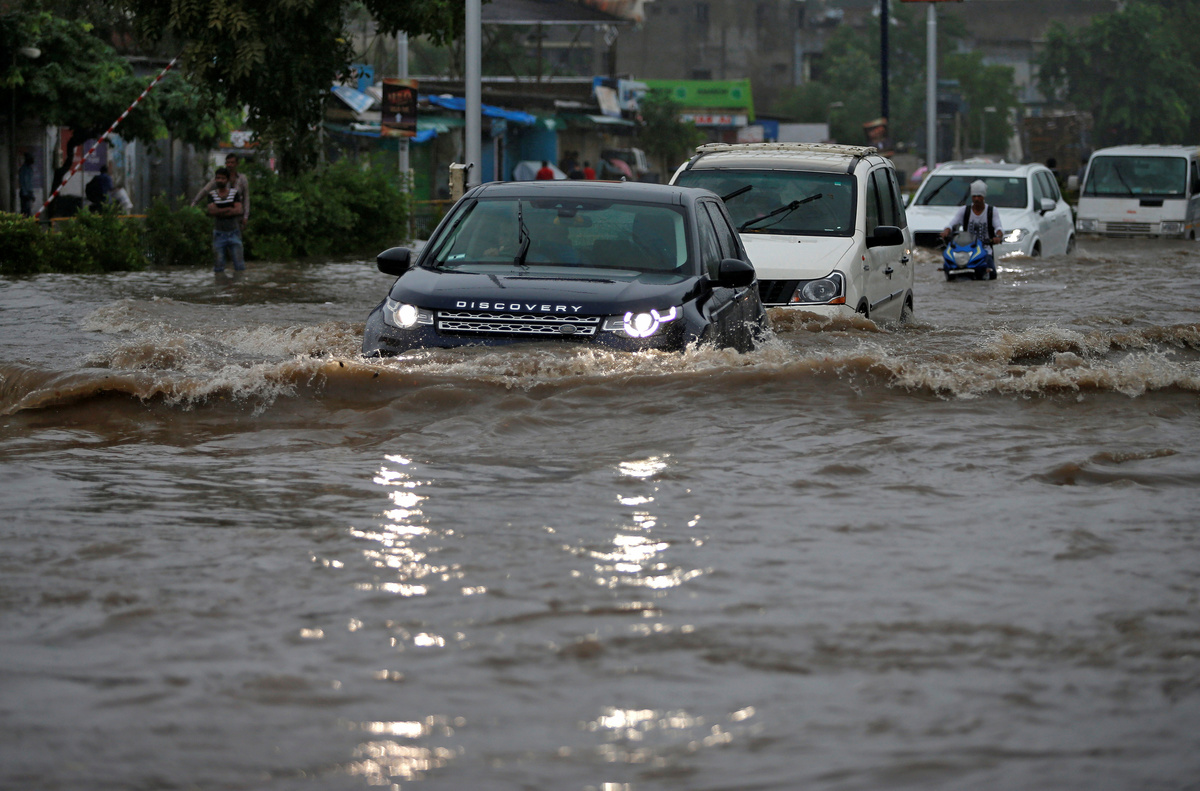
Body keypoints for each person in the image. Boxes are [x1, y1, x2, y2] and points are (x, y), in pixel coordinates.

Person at [941, 179, 1003, 275]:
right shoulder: (964, 210)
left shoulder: (992, 211)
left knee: (992, 274)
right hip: (967, 251)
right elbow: (951, 224)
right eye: (974, 196)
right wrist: (946, 231)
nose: (976, 199)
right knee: (949, 268)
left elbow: (998, 228)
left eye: (979, 196)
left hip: (985, 250)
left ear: (983, 196)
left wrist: (998, 237)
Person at [192, 154, 250, 230]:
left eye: (232, 162)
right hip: (222, 215)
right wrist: (195, 202)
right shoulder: (220, 178)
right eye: (228, 162)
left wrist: (246, 216)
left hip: (237, 215)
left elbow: (246, 198)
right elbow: (206, 190)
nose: (230, 165)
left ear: (237, 164)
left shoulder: (242, 178)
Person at [206, 167, 245, 273]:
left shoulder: (234, 193)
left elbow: (239, 210)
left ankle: (238, 283)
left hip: (234, 232)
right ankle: (220, 283)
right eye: (218, 178)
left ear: (227, 180)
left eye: (222, 178)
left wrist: (219, 211)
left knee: (239, 266)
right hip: (219, 233)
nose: (220, 180)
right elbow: (212, 211)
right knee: (218, 267)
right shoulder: (212, 194)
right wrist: (229, 209)